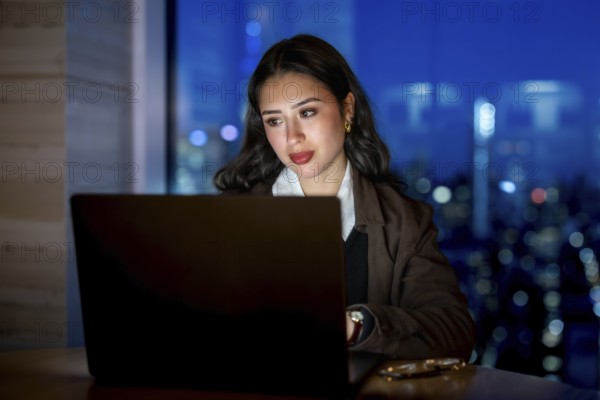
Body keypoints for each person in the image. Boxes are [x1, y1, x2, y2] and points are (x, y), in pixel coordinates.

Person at [213, 34, 476, 360]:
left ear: (347, 109)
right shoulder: (231, 216)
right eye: (275, 120)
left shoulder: (404, 221)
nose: (292, 137)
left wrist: (354, 326)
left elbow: (454, 330)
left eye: (307, 113)